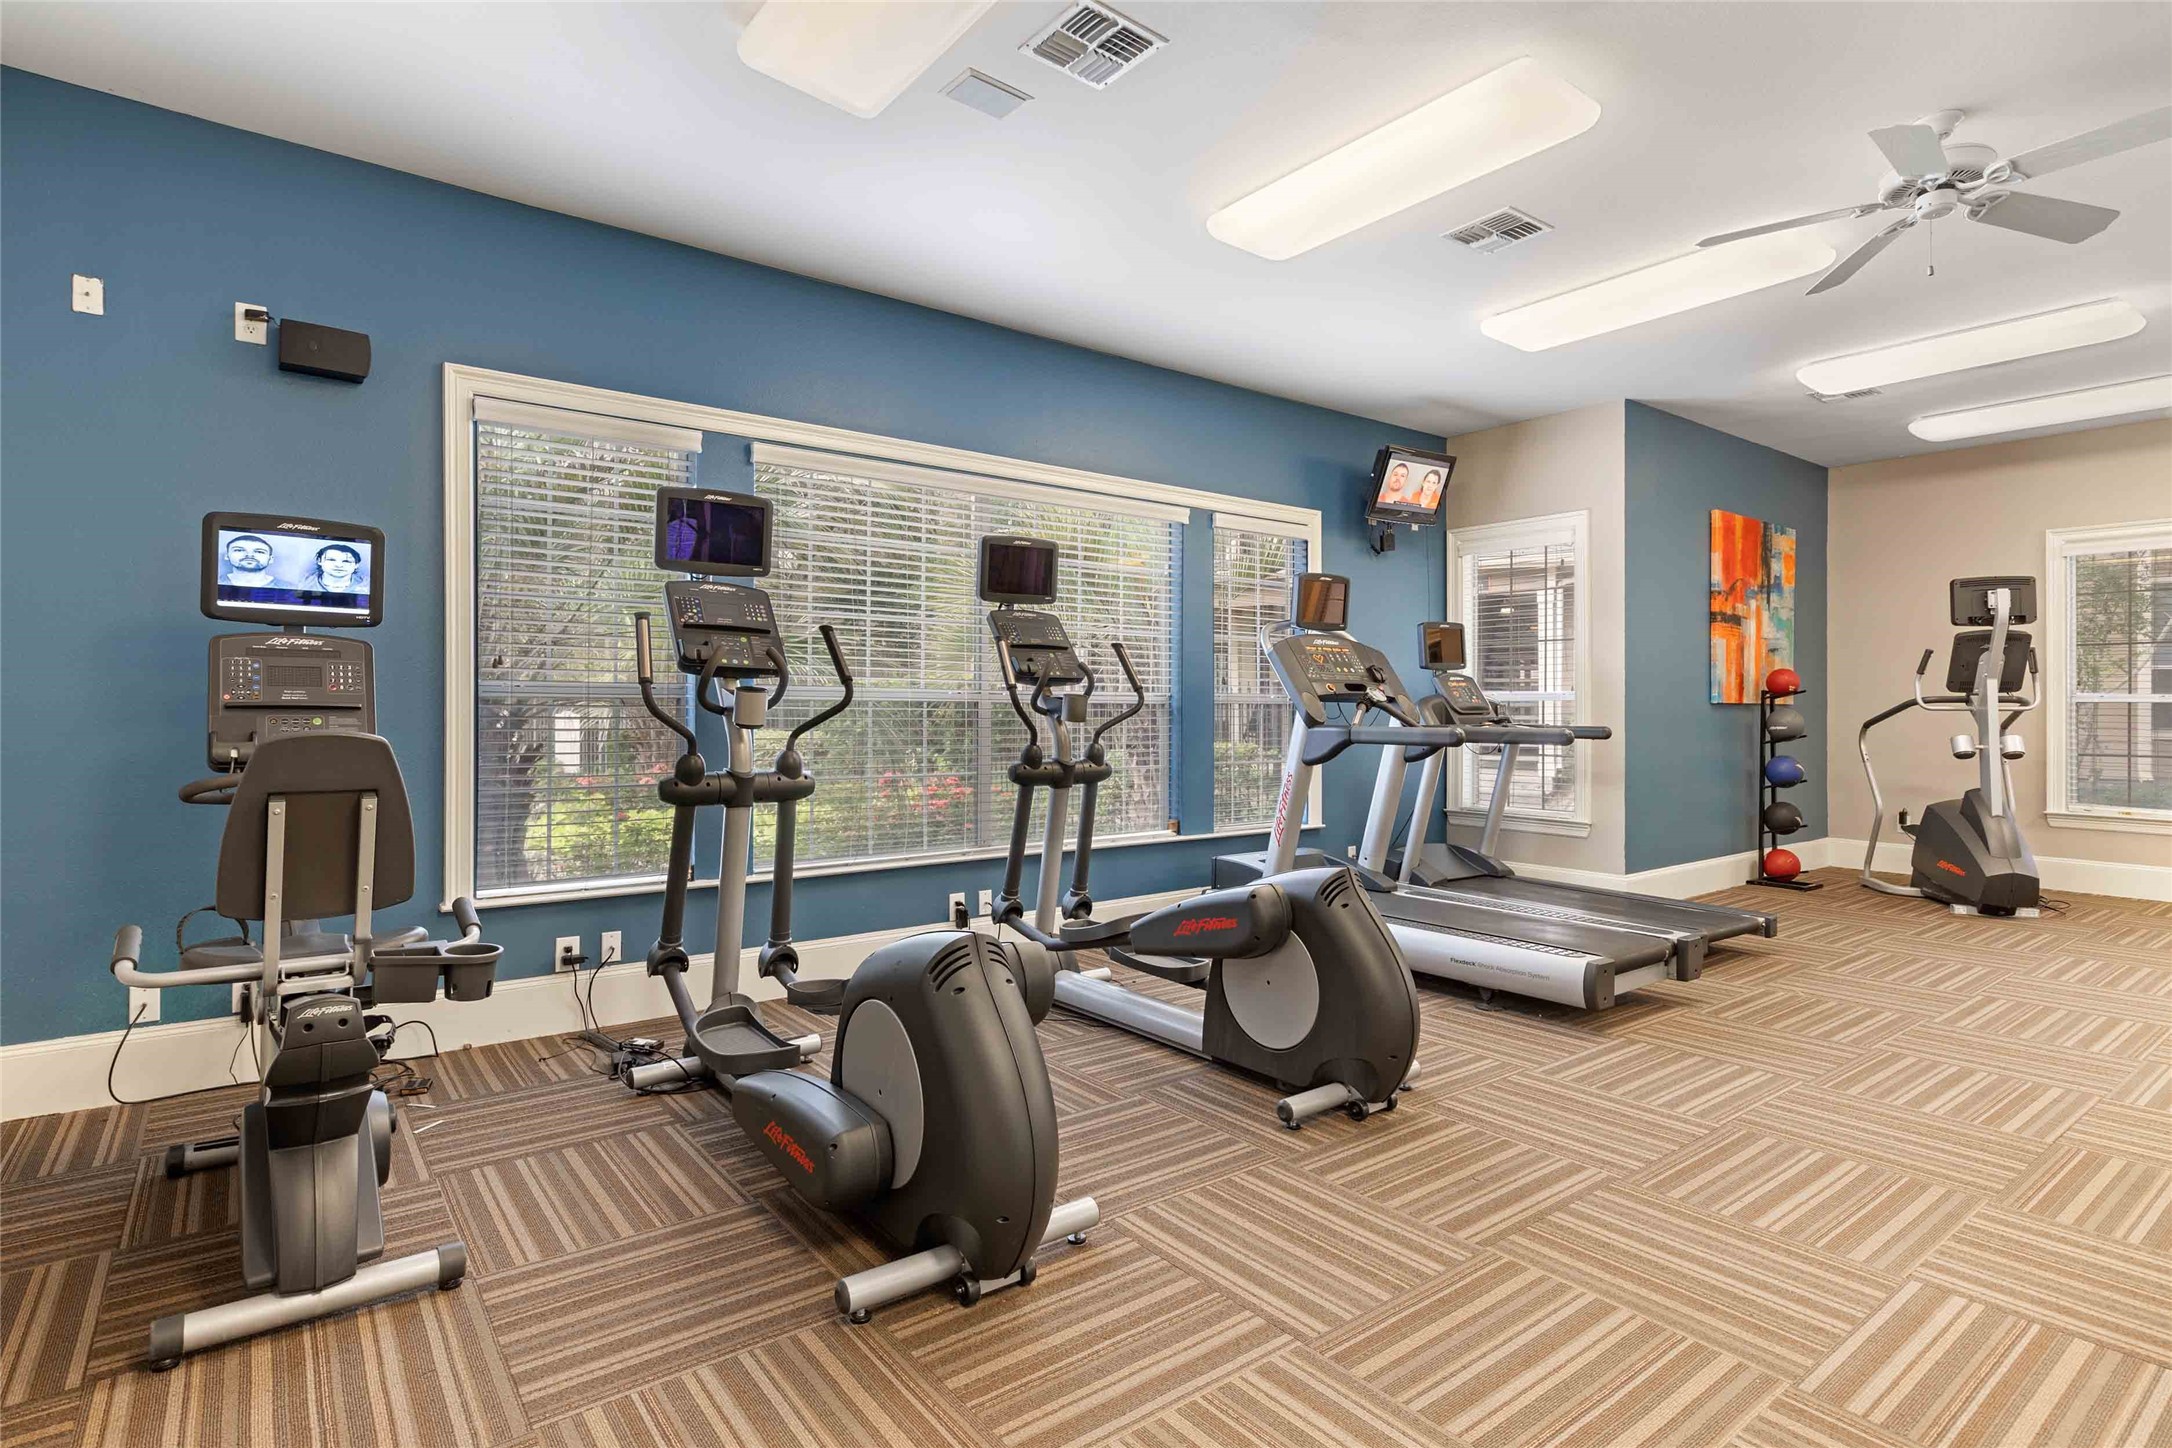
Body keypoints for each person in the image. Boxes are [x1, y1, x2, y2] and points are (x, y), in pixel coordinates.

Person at [299, 542, 366, 597]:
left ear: (356, 565)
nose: (339, 565)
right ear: (319, 561)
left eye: (346, 561)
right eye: (331, 560)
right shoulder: (302, 584)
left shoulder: (367, 586)